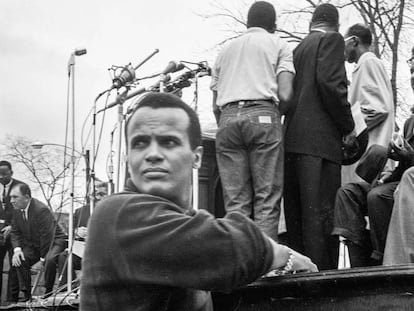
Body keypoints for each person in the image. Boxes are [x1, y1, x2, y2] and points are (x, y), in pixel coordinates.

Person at [80, 92, 317, 310]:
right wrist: (286, 256)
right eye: (139, 143)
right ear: (129, 157)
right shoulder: (116, 213)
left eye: (168, 142)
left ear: (197, 157)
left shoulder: (182, 224)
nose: (152, 154)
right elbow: (233, 249)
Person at [210, 1, 294, 241]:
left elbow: (214, 101)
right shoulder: (278, 45)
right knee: (266, 199)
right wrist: (275, 116)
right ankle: (266, 268)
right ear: (273, 26)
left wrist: (228, 120)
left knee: (235, 204)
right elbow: (286, 94)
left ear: (247, 24)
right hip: (263, 114)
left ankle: (242, 271)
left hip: (227, 118)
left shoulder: (225, 50)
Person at [283, 3, 355, 270]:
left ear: (311, 23)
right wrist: (348, 126)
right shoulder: (332, 39)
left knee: (298, 221)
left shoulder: (297, 49)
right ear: (335, 25)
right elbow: (331, 84)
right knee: (320, 221)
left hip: (291, 142)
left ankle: (298, 285)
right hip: (320, 144)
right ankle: (321, 290)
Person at [341, 24, 394, 185]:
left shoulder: (368, 63)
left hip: (369, 152)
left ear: (354, 41)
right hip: (369, 152)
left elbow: (376, 109)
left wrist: (350, 131)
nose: (342, 50)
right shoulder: (365, 65)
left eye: (344, 43)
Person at [383, 47, 414, 265]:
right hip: (406, 174)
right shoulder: (409, 122)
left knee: (410, 178)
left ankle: (398, 269)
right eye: (411, 71)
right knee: (370, 194)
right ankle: (369, 267)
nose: (413, 77)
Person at [9, 183, 66, 300]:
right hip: (35, 244)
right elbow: (14, 231)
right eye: (11, 197)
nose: (11, 200)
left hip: (54, 241)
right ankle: (27, 296)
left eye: (15, 197)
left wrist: (42, 260)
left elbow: (47, 237)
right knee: (19, 259)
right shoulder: (16, 210)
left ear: (26, 197)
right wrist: (17, 250)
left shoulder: (41, 210)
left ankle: (48, 294)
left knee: (49, 260)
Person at [57, 181, 108, 286]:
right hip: (82, 251)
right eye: (94, 194)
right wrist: (76, 232)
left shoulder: (114, 211)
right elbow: (69, 231)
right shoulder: (80, 211)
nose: (97, 197)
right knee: (64, 257)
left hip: (103, 253)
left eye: (102, 194)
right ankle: (66, 290)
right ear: (90, 195)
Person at [0, 160, 26, 303]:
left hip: (14, 233)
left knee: (14, 267)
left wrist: (12, 226)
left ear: (11, 173)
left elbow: (24, 209)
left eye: (4, 174)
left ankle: (12, 301)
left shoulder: (21, 187)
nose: (1, 177)